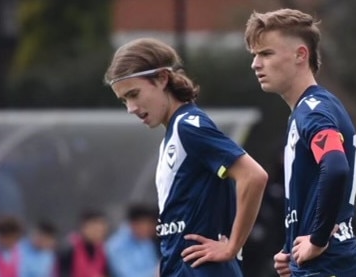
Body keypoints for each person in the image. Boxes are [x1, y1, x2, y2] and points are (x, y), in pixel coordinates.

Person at [104, 38, 268, 277]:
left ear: (162, 79)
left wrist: (232, 246)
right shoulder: (174, 134)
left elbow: (253, 176)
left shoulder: (188, 127)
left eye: (134, 94)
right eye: (124, 100)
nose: (131, 107)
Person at [245, 8, 356, 277]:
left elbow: (335, 166)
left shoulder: (313, 110)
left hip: (329, 266)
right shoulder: (306, 111)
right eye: (255, 55)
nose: (256, 63)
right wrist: (293, 248)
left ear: (301, 54)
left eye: (266, 53)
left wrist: (318, 239)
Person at [106, 204, 159, 277]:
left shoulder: (146, 241)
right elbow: (127, 274)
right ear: (135, 224)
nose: (150, 228)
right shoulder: (116, 245)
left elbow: (152, 264)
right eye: (146, 224)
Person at [58, 210, 110, 277]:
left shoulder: (104, 251)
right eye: (96, 230)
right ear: (84, 228)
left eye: (102, 231)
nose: (99, 234)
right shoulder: (69, 249)